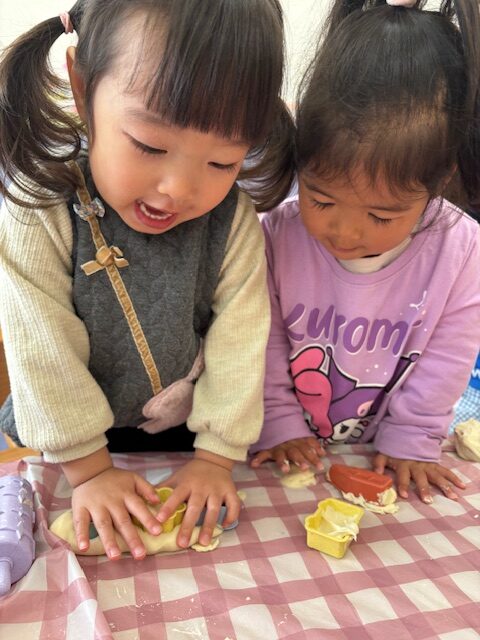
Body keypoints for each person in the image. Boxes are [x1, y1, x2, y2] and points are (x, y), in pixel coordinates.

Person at [0, 0, 294, 560]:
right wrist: (89, 472)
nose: (179, 189)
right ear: (82, 86)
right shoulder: (39, 203)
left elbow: (239, 338)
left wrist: (216, 459)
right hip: (64, 442)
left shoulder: (232, 220)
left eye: (222, 162)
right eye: (149, 145)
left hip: (186, 440)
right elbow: (41, 348)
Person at [250, 0, 480, 504]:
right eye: (320, 199)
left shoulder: (461, 249)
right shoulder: (274, 236)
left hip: (381, 450)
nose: (344, 233)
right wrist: (279, 421)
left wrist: (413, 438)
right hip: (280, 444)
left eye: (380, 216)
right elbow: (259, 341)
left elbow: (448, 357)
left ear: (439, 182)